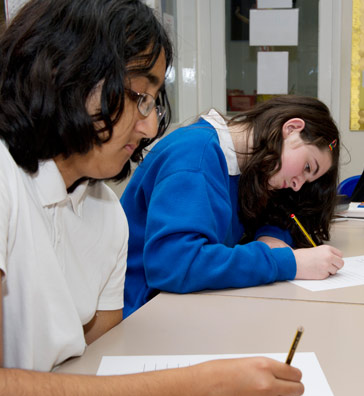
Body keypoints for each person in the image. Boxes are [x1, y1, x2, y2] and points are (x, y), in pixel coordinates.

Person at [0, 0, 304, 396]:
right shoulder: (6, 181)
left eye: (154, 102)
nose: (148, 128)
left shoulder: (105, 212)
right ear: (67, 72)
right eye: (141, 96)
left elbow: (99, 363)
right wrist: (195, 389)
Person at [121, 96, 345, 318]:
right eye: (307, 166)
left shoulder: (247, 166)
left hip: (184, 306)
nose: (297, 186)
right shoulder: (195, 156)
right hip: (142, 313)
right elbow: (175, 266)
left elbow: (276, 212)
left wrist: (270, 235)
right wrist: (290, 263)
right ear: (292, 128)